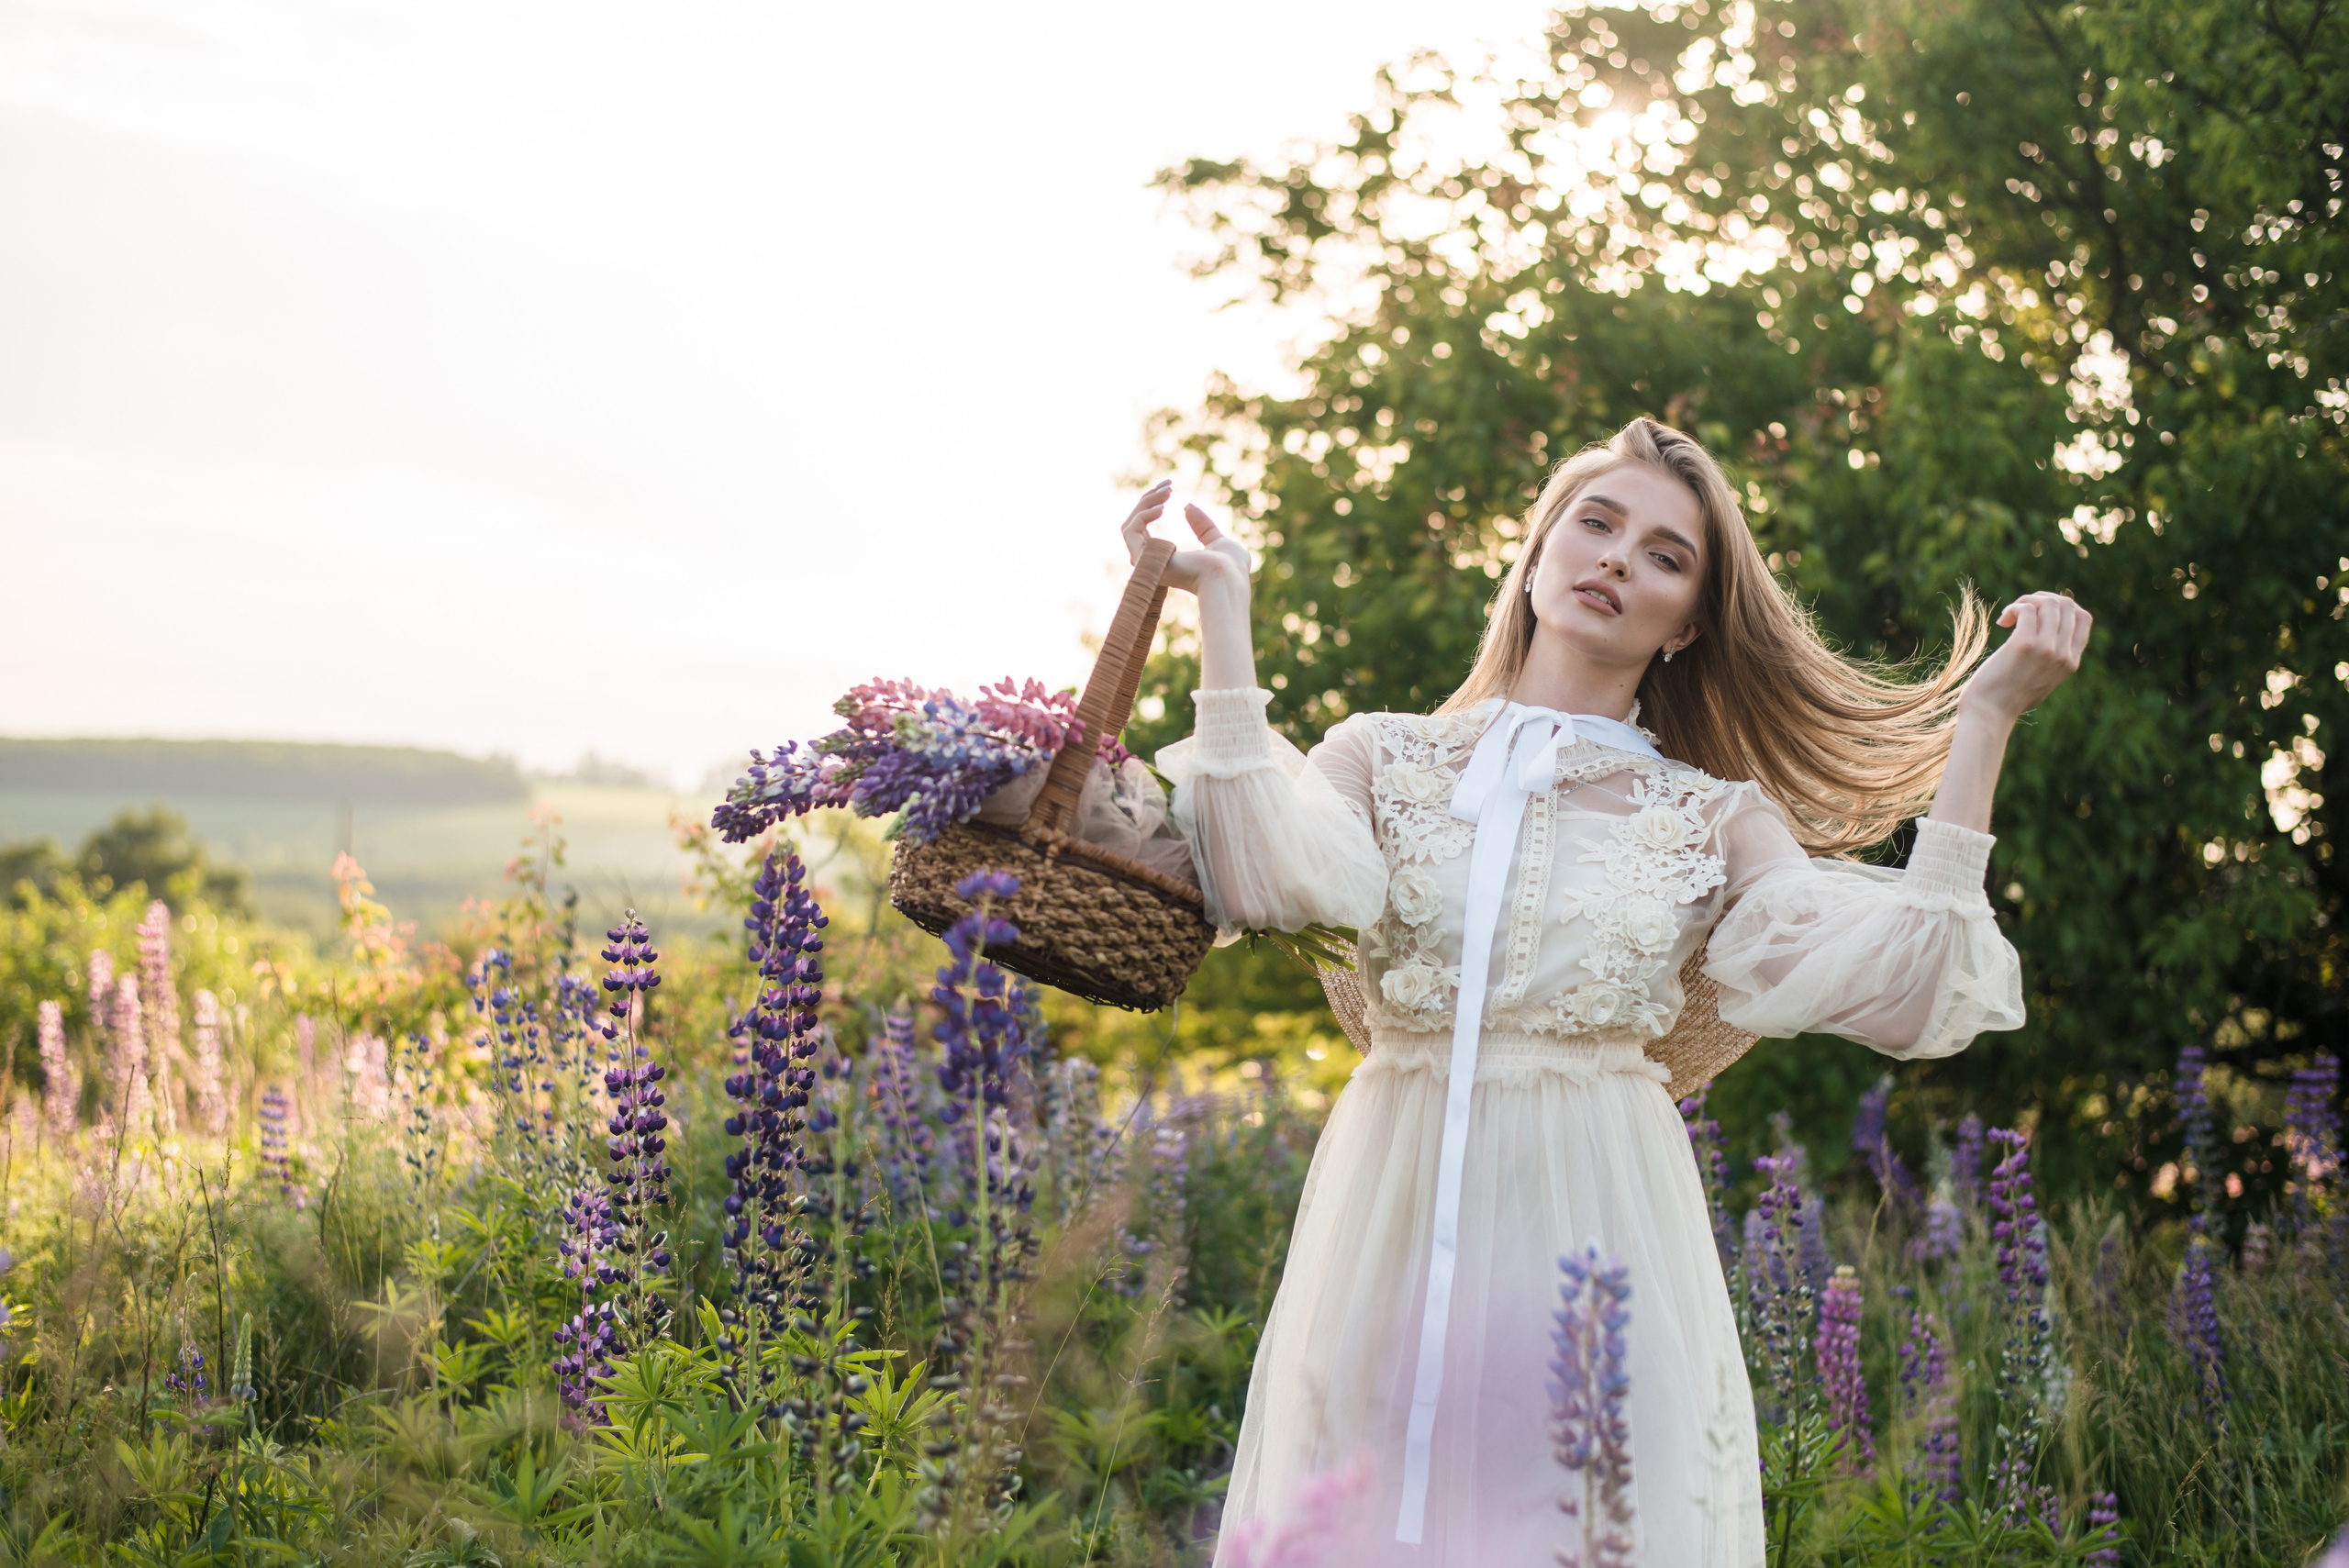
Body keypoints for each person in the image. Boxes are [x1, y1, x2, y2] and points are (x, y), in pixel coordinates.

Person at [1125, 417, 2090, 1567]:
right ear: (1535, 556)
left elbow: (1902, 988)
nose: (1619, 557)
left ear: (1685, 625)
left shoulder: (1714, 816)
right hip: (1385, 1206)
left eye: (1664, 555)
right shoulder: (1382, 756)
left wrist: (1982, 725)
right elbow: (1257, 868)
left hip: (1599, 1221)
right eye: (1596, 523)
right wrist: (1222, 607)